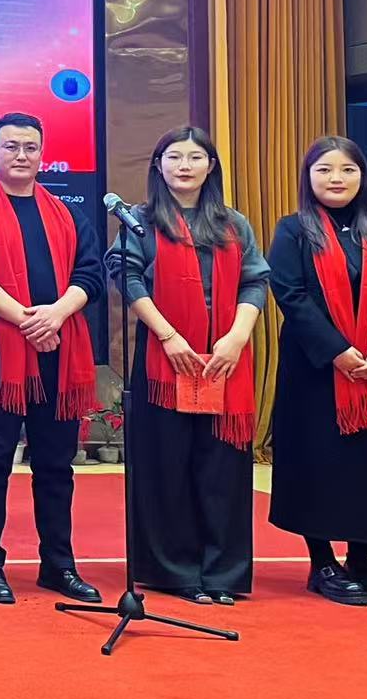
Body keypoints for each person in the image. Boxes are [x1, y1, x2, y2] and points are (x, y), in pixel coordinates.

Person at [107, 126, 268, 605]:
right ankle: (174, 572)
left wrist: (236, 338)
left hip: (224, 359)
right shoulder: (140, 220)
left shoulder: (234, 223)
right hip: (164, 358)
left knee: (222, 469)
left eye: (195, 157)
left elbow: (255, 281)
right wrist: (169, 336)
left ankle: (222, 574)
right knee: (166, 466)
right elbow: (125, 276)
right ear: (158, 166)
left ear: (210, 166)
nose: (184, 165)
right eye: (174, 157)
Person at [0, 112, 104, 606]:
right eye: (11, 147)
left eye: (30, 147)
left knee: (56, 465)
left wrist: (55, 315)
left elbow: (90, 275)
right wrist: (28, 321)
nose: (22, 155)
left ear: (42, 155)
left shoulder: (68, 215)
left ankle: (58, 565)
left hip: (60, 351)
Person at [267, 135, 367, 607]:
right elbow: (291, 295)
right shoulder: (294, 231)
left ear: (362, 176)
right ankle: (322, 563)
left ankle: (362, 561)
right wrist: (337, 351)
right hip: (314, 371)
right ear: (308, 177)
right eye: (325, 170)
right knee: (316, 463)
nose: (336, 179)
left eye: (347, 169)